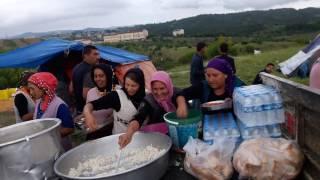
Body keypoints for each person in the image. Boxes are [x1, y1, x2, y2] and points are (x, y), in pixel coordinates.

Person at [118, 71, 180, 148]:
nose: (159, 92)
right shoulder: (149, 100)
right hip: (158, 140)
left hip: (179, 136)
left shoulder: (177, 95)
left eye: (162, 88)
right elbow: (138, 118)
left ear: (168, 86)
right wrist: (128, 134)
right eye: (155, 89)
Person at [83, 68, 146, 135]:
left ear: (141, 85)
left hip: (141, 140)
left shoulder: (146, 98)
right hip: (119, 139)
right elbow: (92, 105)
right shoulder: (117, 96)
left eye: (133, 86)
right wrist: (87, 113)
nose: (129, 89)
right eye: (127, 85)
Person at [28, 72, 74, 151]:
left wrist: (48, 135)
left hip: (59, 148)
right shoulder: (39, 101)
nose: (31, 92)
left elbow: (69, 128)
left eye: (33, 89)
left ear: (44, 88)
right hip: (46, 147)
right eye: (29, 89)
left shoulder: (59, 105)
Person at [85, 64, 114, 140]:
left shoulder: (117, 92)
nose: (98, 79)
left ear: (108, 76)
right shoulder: (91, 92)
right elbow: (89, 109)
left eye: (101, 76)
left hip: (111, 133)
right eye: (95, 76)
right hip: (93, 133)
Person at [72, 45, 100, 114]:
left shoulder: (76, 67)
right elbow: (86, 95)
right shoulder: (90, 71)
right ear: (86, 56)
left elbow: (71, 89)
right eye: (95, 54)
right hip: (88, 110)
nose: (98, 57)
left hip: (79, 107)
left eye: (98, 54)